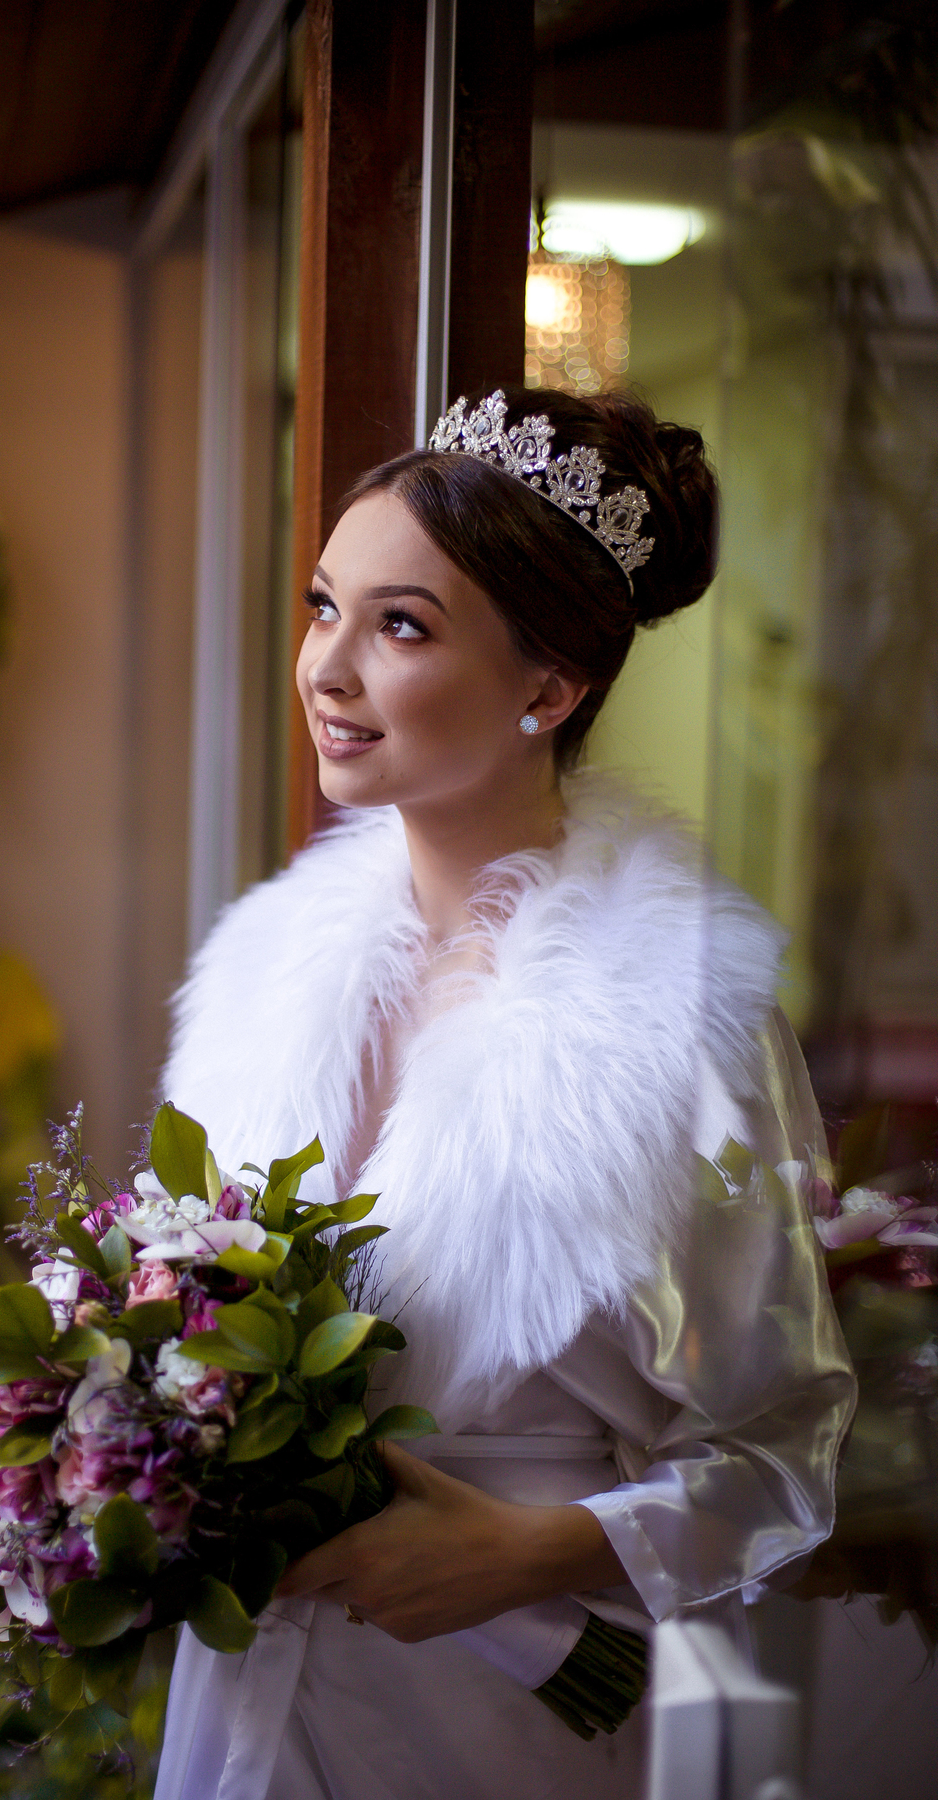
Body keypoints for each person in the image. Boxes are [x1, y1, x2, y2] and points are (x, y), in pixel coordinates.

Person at [151, 388, 856, 1800]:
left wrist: (532, 1552)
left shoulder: (678, 1028)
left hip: (498, 1708)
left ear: (549, 691)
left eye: (402, 626)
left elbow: (786, 1451)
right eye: (322, 605)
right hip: (248, 1690)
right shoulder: (265, 973)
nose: (327, 669)